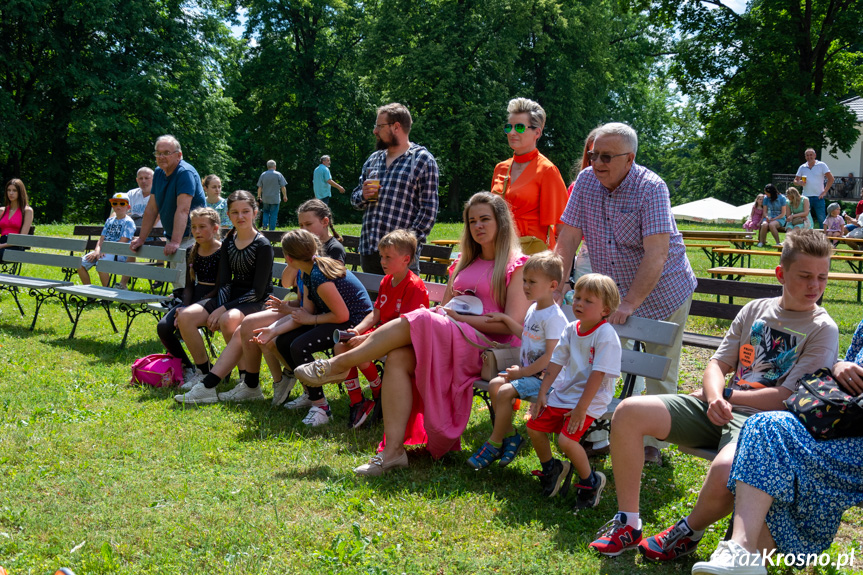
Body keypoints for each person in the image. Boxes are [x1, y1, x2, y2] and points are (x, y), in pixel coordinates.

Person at [587, 229, 839, 562]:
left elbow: (787, 398)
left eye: (822, 277)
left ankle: (686, 532)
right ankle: (628, 523)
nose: (815, 286)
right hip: (720, 406)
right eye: (805, 276)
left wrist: (726, 396)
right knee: (629, 412)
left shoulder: (823, 328)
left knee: (726, 468)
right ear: (781, 273)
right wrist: (715, 394)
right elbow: (718, 363)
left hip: (766, 425)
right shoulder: (755, 309)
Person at [294, 192, 530, 476]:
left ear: (501, 222)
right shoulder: (464, 264)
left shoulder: (516, 266)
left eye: (485, 220)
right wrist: (448, 315)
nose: (477, 226)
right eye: (472, 221)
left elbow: (511, 327)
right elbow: (446, 307)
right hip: (450, 337)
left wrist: (462, 318)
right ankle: (392, 452)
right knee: (397, 357)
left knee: (421, 316)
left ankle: (338, 365)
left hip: (487, 348)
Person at [554, 122, 697, 465]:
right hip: (613, 292)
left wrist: (631, 302)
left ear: (629, 158)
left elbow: (657, 254)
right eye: (593, 155)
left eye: (606, 156)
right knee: (600, 359)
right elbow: (568, 240)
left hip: (664, 290)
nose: (597, 162)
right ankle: (597, 431)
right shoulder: (587, 182)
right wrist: (557, 284)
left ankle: (654, 443)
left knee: (658, 367)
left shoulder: (651, 188)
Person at [692, 322, 863, 575]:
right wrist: (840, 366)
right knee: (764, 424)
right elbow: (846, 367)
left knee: (784, 461)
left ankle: (718, 545)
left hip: (854, 448)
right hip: (840, 426)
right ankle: (741, 549)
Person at [249, 229, 373, 426]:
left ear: (288, 258)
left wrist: (311, 320)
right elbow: (304, 313)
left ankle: (321, 407)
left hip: (354, 323)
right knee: (284, 341)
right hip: (336, 319)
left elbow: (342, 315)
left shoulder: (318, 276)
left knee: (299, 346)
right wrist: (273, 331)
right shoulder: (307, 271)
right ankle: (311, 394)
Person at [527, 273, 621, 509]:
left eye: (589, 301)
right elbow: (557, 362)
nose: (579, 303)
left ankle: (590, 481)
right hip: (566, 394)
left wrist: (581, 409)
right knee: (534, 426)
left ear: (605, 309)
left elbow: (598, 375)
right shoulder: (571, 328)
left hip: (592, 399)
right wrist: (542, 393)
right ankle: (552, 468)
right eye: (577, 297)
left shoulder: (605, 335)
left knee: (567, 441)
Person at [466, 251, 568, 470]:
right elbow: (526, 334)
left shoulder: (554, 317)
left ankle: (494, 443)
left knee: (503, 391)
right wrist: (505, 319)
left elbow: (551, 357)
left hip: (547, 381)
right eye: (524, 281)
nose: (526, 286)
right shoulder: (534, 308)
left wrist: (521, 373)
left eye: (532, 282)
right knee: (494, 385)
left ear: (552, 285)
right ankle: (511, 436)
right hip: (530, 374)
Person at [174, 190, 274, 405]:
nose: (241, 217)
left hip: (257, 302)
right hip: (229, 298)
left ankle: (247, 380)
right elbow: (225, 282)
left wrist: (222, 309)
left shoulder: (262, 245)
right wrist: (220, 305)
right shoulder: (229, 241)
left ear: (255, 212)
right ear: (228, 214)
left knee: (229, 319)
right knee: (186, 317)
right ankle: (202, 371)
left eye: (246, 211)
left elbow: (258, 291)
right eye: (235, 212)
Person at [335, 229, 430, 430]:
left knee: (359, 353)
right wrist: (358, 331)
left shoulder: (414, 286)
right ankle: (358, 401)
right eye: (381, 256)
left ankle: (378, 391)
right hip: (382, 334)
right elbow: (375, 314)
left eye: (388, 257)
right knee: (342, 347)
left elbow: (405, 328)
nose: (382, 261)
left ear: (406, 259)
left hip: (401, 342)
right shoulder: (387, 280)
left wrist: (366, 340)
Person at [351, 102, 439, 275]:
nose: (375, 131)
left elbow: (429, 211)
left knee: (402, 302)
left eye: (379, 126)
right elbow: (355, 199)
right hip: (369, 251)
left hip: (401, 257)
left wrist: (405, 246)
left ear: (396, 126)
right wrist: (363, 195)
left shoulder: (421, 160)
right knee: (373, 302)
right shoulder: (373, 159)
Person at [490, 97, 568, 252]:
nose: (512, 132)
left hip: (534, 256)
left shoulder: (547, 170)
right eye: (508, 127)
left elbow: (562, 227)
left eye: (519, 127)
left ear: (537, 132)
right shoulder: (500, 168)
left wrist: (560, 266)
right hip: (502, 249)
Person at [130, 135, 207, 293]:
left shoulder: (184, 173)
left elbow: (183, 209)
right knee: (178, 283)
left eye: (166, 153)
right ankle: (181, 313)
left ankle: (189, 314)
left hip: (193, 237)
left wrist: (175, 242)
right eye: (158, 153)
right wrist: (141, 238)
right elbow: (152, 208)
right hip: (176, 238)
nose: (161, 157)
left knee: (187, 284)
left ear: (179, 155)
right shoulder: (158, 173)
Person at [156, 208, 221, 380]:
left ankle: (206, 370)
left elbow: (221, 286)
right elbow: (189, 285)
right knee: (163, 327)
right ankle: (187, 367)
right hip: (193, 298)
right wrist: (184, 306)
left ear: (215, 228)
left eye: (202, 227)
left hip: (214, 298)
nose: (197, 231)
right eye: (194, 227)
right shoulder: (191, 250)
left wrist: (190, 309)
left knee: (186, 319)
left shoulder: (223, 251)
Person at [76, 193, 136, 287]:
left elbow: (122, 242)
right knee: (79, 263)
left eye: (122, 204)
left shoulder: (129, 222)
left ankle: (107, 293)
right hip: (104, 252)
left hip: (119, 253)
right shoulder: (109, 221)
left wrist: (105, 251)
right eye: (115, 203)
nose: (118, 206)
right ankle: (89, 292)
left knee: (101, 264)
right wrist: (97, 250)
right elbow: (101, 239)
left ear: (128, 207)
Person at [793, 148, 834, 229]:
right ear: (805, 157)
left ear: (815, 155)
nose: (809, 157)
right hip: (805, 198)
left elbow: (831, 179)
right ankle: (805, 238)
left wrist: (824, 192)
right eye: (807, 155)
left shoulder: (821, 165)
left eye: (811, 155)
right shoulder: (802, 167)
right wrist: (799, 182)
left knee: (822, 219)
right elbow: (795, 181)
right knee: (804, 219)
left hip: (818, 196)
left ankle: (823, 239)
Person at [0, 179, 34, 263]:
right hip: (1, 242)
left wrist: (1, 246)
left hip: (15, 246)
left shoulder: (27, 211)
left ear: (20, 192)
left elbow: (21, 238)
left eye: (14, 190)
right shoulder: (2, 210)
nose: (11, 193)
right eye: (9, 190)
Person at [256, 160, 287, 231]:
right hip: (275, 198)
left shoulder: (263, 174)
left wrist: (259, 197)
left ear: (267, 166)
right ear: (275, 167)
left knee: (266, 212)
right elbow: (283, 186)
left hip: (265, 198)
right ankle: (271, 230)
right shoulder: (278, 174)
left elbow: (260, 187)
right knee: (274, 214)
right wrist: (285, 195)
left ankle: (264, 225)